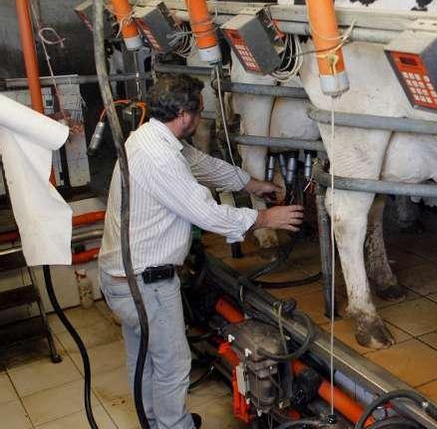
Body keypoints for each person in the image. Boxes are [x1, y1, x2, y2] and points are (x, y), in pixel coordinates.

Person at [98, 74, 303, 429]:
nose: (202, 117)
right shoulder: (161, 158)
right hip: (146, 284)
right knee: (172, 366)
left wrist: (255, 185)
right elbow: (207, 214)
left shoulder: (149, 137)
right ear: (184, 114)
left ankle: (153, 420)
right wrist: (268, 217)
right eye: (200, 111)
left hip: (123, 276)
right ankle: (173, 425)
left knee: (144, 358)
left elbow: (207, 167)